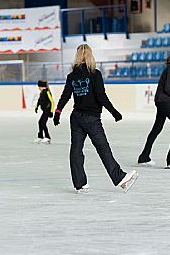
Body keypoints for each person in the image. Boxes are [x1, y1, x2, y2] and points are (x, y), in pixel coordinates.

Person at [53, 44, 138, 193]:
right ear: (90, 55)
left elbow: (65, 96)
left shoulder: (72, 76)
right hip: (91, 119)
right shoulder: (94, 74)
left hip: (76, 118)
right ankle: (119, 178)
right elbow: (101, 96)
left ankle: (80, 184)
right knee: (103, 148)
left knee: (76, 150)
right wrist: (114, 112)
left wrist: (58, 112)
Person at [138, 46, 170, 169]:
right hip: (164, 101)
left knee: (157, 128)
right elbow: (167, 88)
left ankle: (144, 156)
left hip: (162, 100)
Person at [34, 80, 54, 144]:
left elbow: (52, 102)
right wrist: (36, 107)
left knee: (43, 123)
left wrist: (51, 111)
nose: (38, 88)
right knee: (40, 122)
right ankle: (40, 136)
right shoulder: (42, 92)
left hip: (47, 111)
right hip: (44, 111)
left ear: (42, 86)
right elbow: (39, 101)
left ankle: (47, 137)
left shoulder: (47, 92)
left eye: (39, 86)